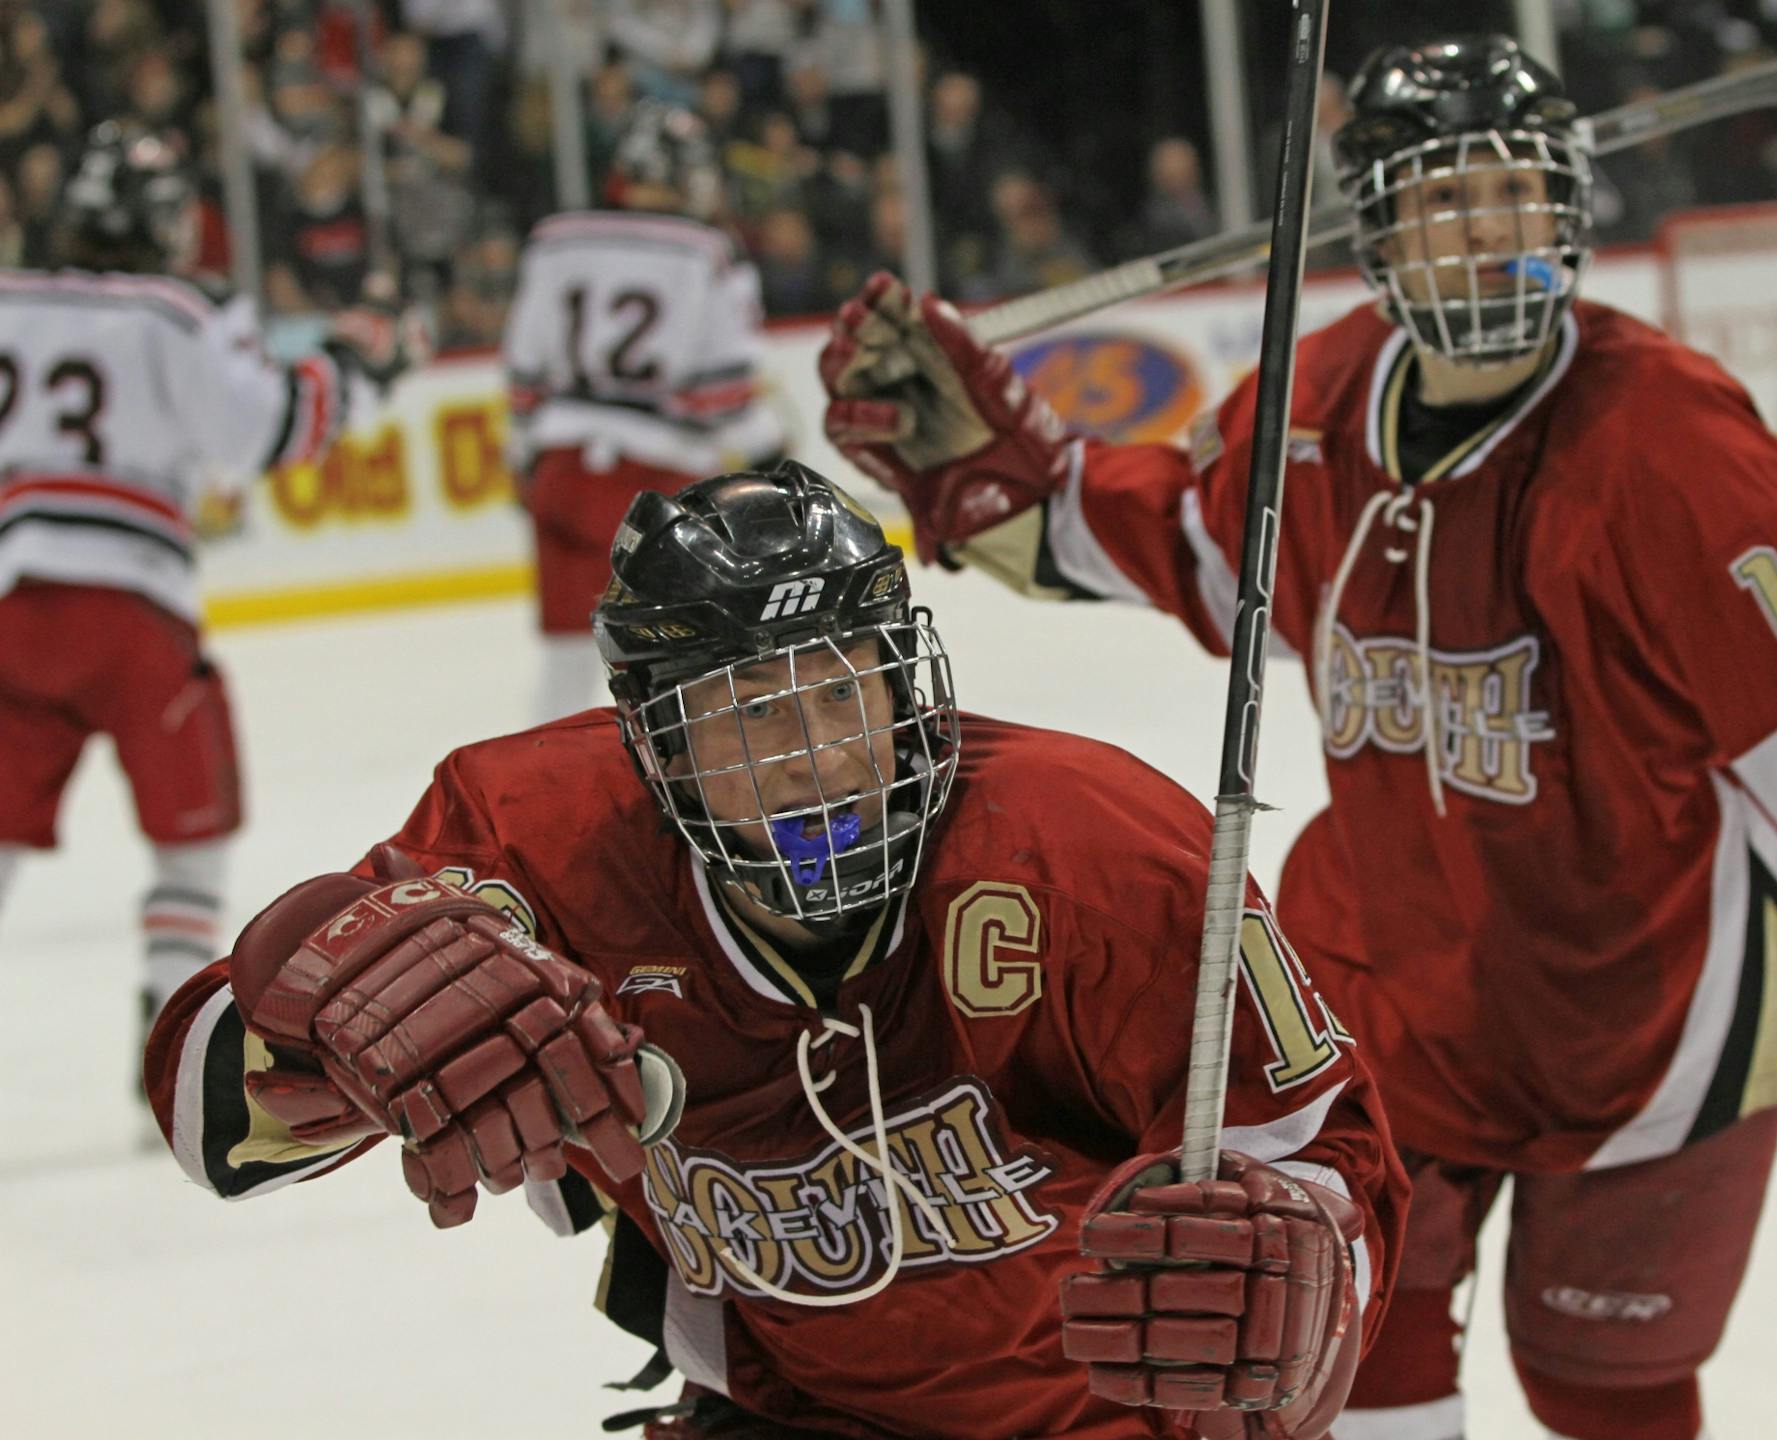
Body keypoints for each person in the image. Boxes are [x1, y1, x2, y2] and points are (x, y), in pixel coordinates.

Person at [817, 37, 1777, 1440]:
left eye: (1517, 195)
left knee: (1605, 1387)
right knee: (1348, 1373)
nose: (1489, 236)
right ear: (1378, 232)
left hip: (1650, 1030)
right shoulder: (1319, 400)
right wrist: (998, 466)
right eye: (1447, 204)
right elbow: (1187, 543)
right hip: (1388, 1003)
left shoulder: (1666, 440)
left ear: (1569, 211)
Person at [141, 460, 1409, 1440]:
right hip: (784, 1409)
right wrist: (313, 1018)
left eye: (839, 687)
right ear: (652, 742)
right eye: (743, 712)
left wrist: (1306, 1263)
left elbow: (1321, 1149)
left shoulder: (1100, 852)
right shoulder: (536, 840)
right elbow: (210, 1118)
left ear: (906, 680)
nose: (808, 755)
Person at [0, 120, 401, 1111]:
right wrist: (354, 365)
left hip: (13, 600)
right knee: (191, 842)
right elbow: (268, 428)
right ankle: (166, 1046)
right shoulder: (177, 313)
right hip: (136, 612)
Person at [504, 101, 787, 722]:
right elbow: (725, 393)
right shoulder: (708, 251)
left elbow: (523, 376)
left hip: (560, 471)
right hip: (652, 487)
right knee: (677, 674)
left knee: (562, 669)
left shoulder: (554, 239)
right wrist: (772, 457)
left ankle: (533, 802)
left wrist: (523, 459)